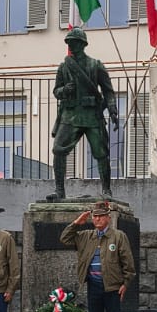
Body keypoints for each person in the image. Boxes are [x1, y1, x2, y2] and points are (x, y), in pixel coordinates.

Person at [60, 201, 135, 312]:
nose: (98, 219)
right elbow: (64, 238)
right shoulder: (86, 236)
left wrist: (126, 283)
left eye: (101, 216)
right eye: (95, 216)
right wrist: (76, 223)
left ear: (108, 217)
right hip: (94, 285)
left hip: (113, 286)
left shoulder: (118, 236)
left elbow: (128, 262)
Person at [50, 27, 119, 199]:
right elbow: (56, 92)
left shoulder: (96, 65)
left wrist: (112, 110)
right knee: (58, 150)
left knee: (101, 153)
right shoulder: (64, 67)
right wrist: (65, 89)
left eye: (74, 42)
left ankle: (106, 190)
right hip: (70, 115)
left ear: (82, 44)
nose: (71, 45)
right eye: (69, 42)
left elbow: (108, 91)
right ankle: (59, 191)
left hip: (91, 115)